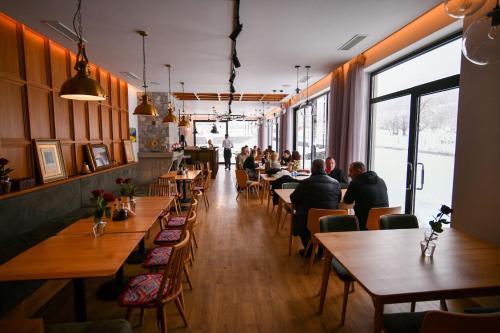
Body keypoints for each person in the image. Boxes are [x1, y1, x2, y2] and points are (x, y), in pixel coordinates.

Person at [290, 159, 342, 252]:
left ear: (312, 169)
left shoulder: (305, 183)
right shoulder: (336, 183)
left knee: (298, 216)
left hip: (309, 219)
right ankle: (322, 250)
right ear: (325, 168)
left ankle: (309, 249)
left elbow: (293, 198)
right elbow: (338, 200)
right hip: (330, 220)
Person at [343, 161, 389, 230]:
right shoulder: (381, 180)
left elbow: (347, 201)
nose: (349, 174)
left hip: (364, 223)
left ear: (358, 171)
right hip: (384, 222)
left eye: (351, 171)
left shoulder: (355, 183)